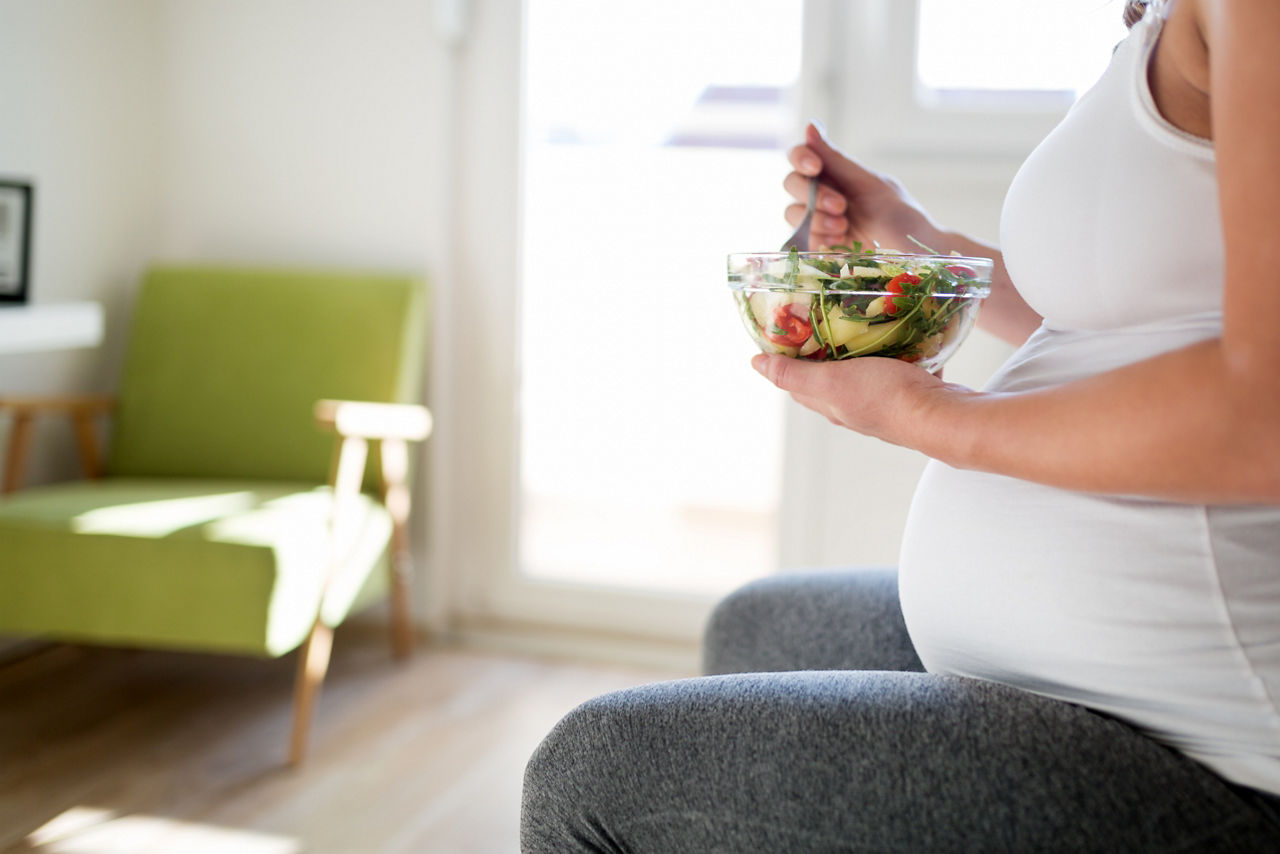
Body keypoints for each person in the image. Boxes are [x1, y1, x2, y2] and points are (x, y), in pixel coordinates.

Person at [520, 0, 1280, 849]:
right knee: (755, 627)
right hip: (1100, 678)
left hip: (1215, 751)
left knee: (588, 774)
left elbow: (1263, 418)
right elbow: (1125, 325)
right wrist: (910, 234)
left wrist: (929, 417)